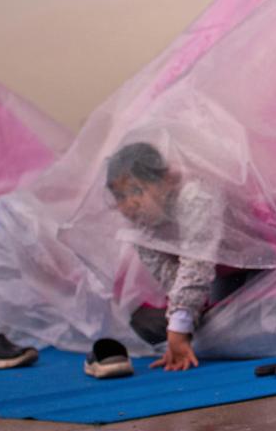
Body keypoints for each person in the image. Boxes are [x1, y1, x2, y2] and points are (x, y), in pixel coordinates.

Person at [105, 142, 256, 371]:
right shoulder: (140, 224)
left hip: (256, 261)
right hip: (221, 272)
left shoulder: (195, 195)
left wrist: (179, 328)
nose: (130, 204)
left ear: (165, 181)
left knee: (251, 315)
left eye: (137, 190)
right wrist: (180, 325)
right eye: (120, 196)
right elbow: (170, 277)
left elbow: (197, 262)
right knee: (150, 322)